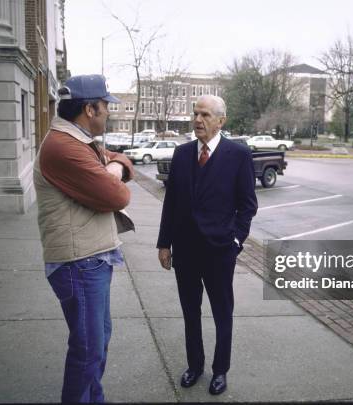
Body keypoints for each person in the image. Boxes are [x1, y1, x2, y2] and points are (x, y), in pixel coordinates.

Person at [34, 74, 134, 403]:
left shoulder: (76, 141)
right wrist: (112, 172)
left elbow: (121, 163)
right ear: (89, 109)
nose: (109, 111)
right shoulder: (64, 148)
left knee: (97, 341)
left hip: (89, 259)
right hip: (80, 263)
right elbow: (117, 197)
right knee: (88, 351)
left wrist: (114, 167)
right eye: (105, 105)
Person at [157, 95, 258, 395]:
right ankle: (195, 365)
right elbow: (171, 203)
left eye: (205, 115)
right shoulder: (182, 153)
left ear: (221, 121)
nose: (197, 120)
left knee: (221, 313)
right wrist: (164, 244)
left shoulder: (238, 155)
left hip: (219, 252)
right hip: (185, 251)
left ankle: (220, 370)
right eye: (195, 114)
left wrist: (235, 242)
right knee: (190, 312)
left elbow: (247, 206)